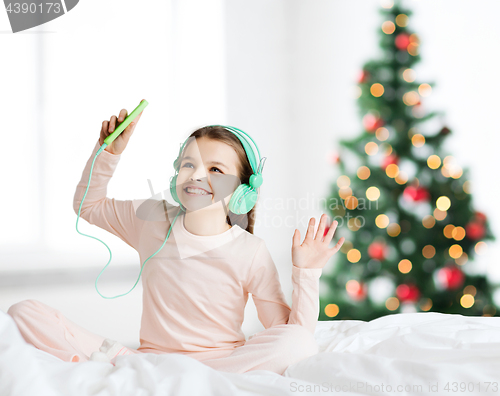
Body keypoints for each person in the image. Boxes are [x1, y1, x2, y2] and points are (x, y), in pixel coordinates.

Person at [7, 102, 345, 375]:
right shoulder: (152, 218)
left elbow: (292, 334)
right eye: (188, 164)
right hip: (148, 362)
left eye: (215, 169)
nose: (196, 175)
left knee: (298, 344)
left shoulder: (250, 251)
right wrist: (108, 152)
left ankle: (180, 381)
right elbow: (88, 205)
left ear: (242, 192)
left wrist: (307, 274)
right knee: (23, 312)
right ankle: (121, 372)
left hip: (219, 366)